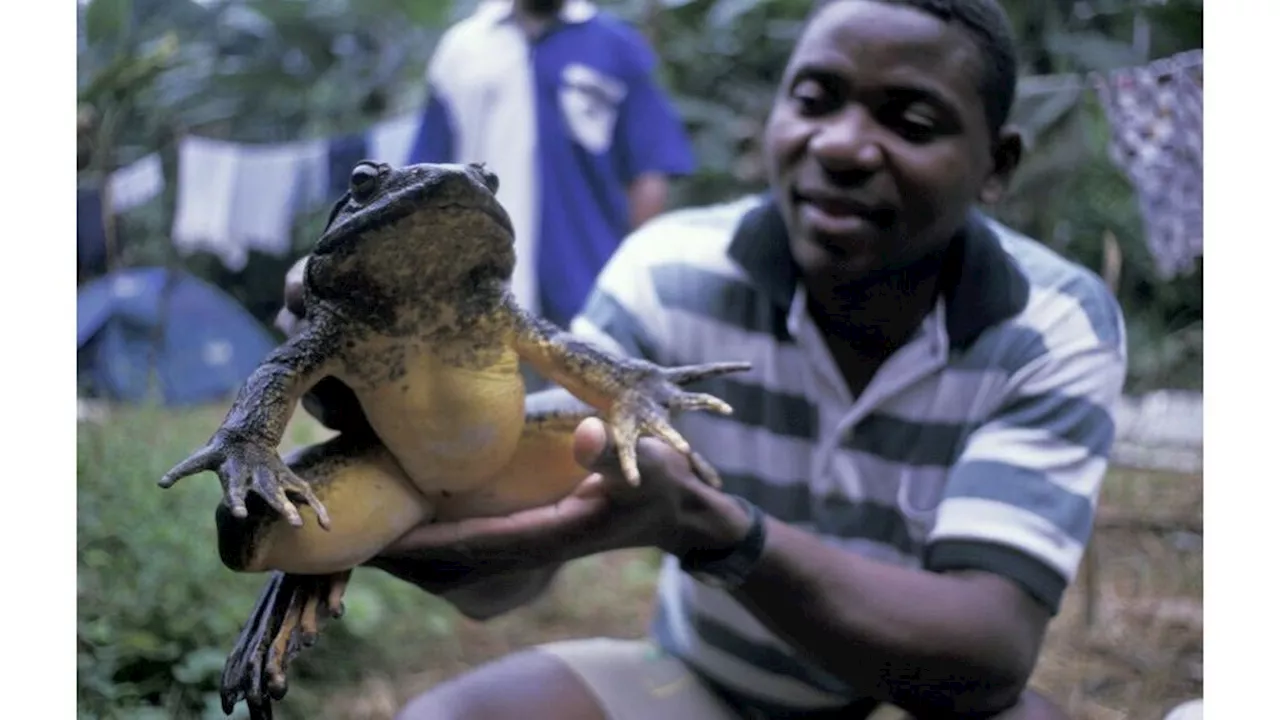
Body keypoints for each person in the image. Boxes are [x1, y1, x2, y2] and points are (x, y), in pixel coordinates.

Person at [283, 0, 1127, 717]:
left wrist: (716, 532)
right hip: (704, 686)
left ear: (997, 165)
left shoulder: (1053, 323)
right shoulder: (666, 272)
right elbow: (514, 570)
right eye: (815, 98)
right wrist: (417, 474)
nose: (841, 144)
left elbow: (987, 652)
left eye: (909, 122)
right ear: (773, 118)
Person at [406, 0, 696, 331]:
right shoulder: (462, 49)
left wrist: (633, 279)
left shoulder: (615, 45)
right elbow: (425, 180)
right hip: (478, 292)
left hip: (591, 290)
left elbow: (650, 172)